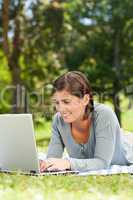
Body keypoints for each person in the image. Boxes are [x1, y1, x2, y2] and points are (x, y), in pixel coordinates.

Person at [40, 71, 133, 172]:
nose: (60, 109)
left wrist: (68, 163)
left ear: (85, 99)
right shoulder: (58, 121)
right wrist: (45, 164)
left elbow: (102, 163)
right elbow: (52, 159)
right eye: (57, 103)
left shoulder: (104, 114)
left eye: (66, 102)